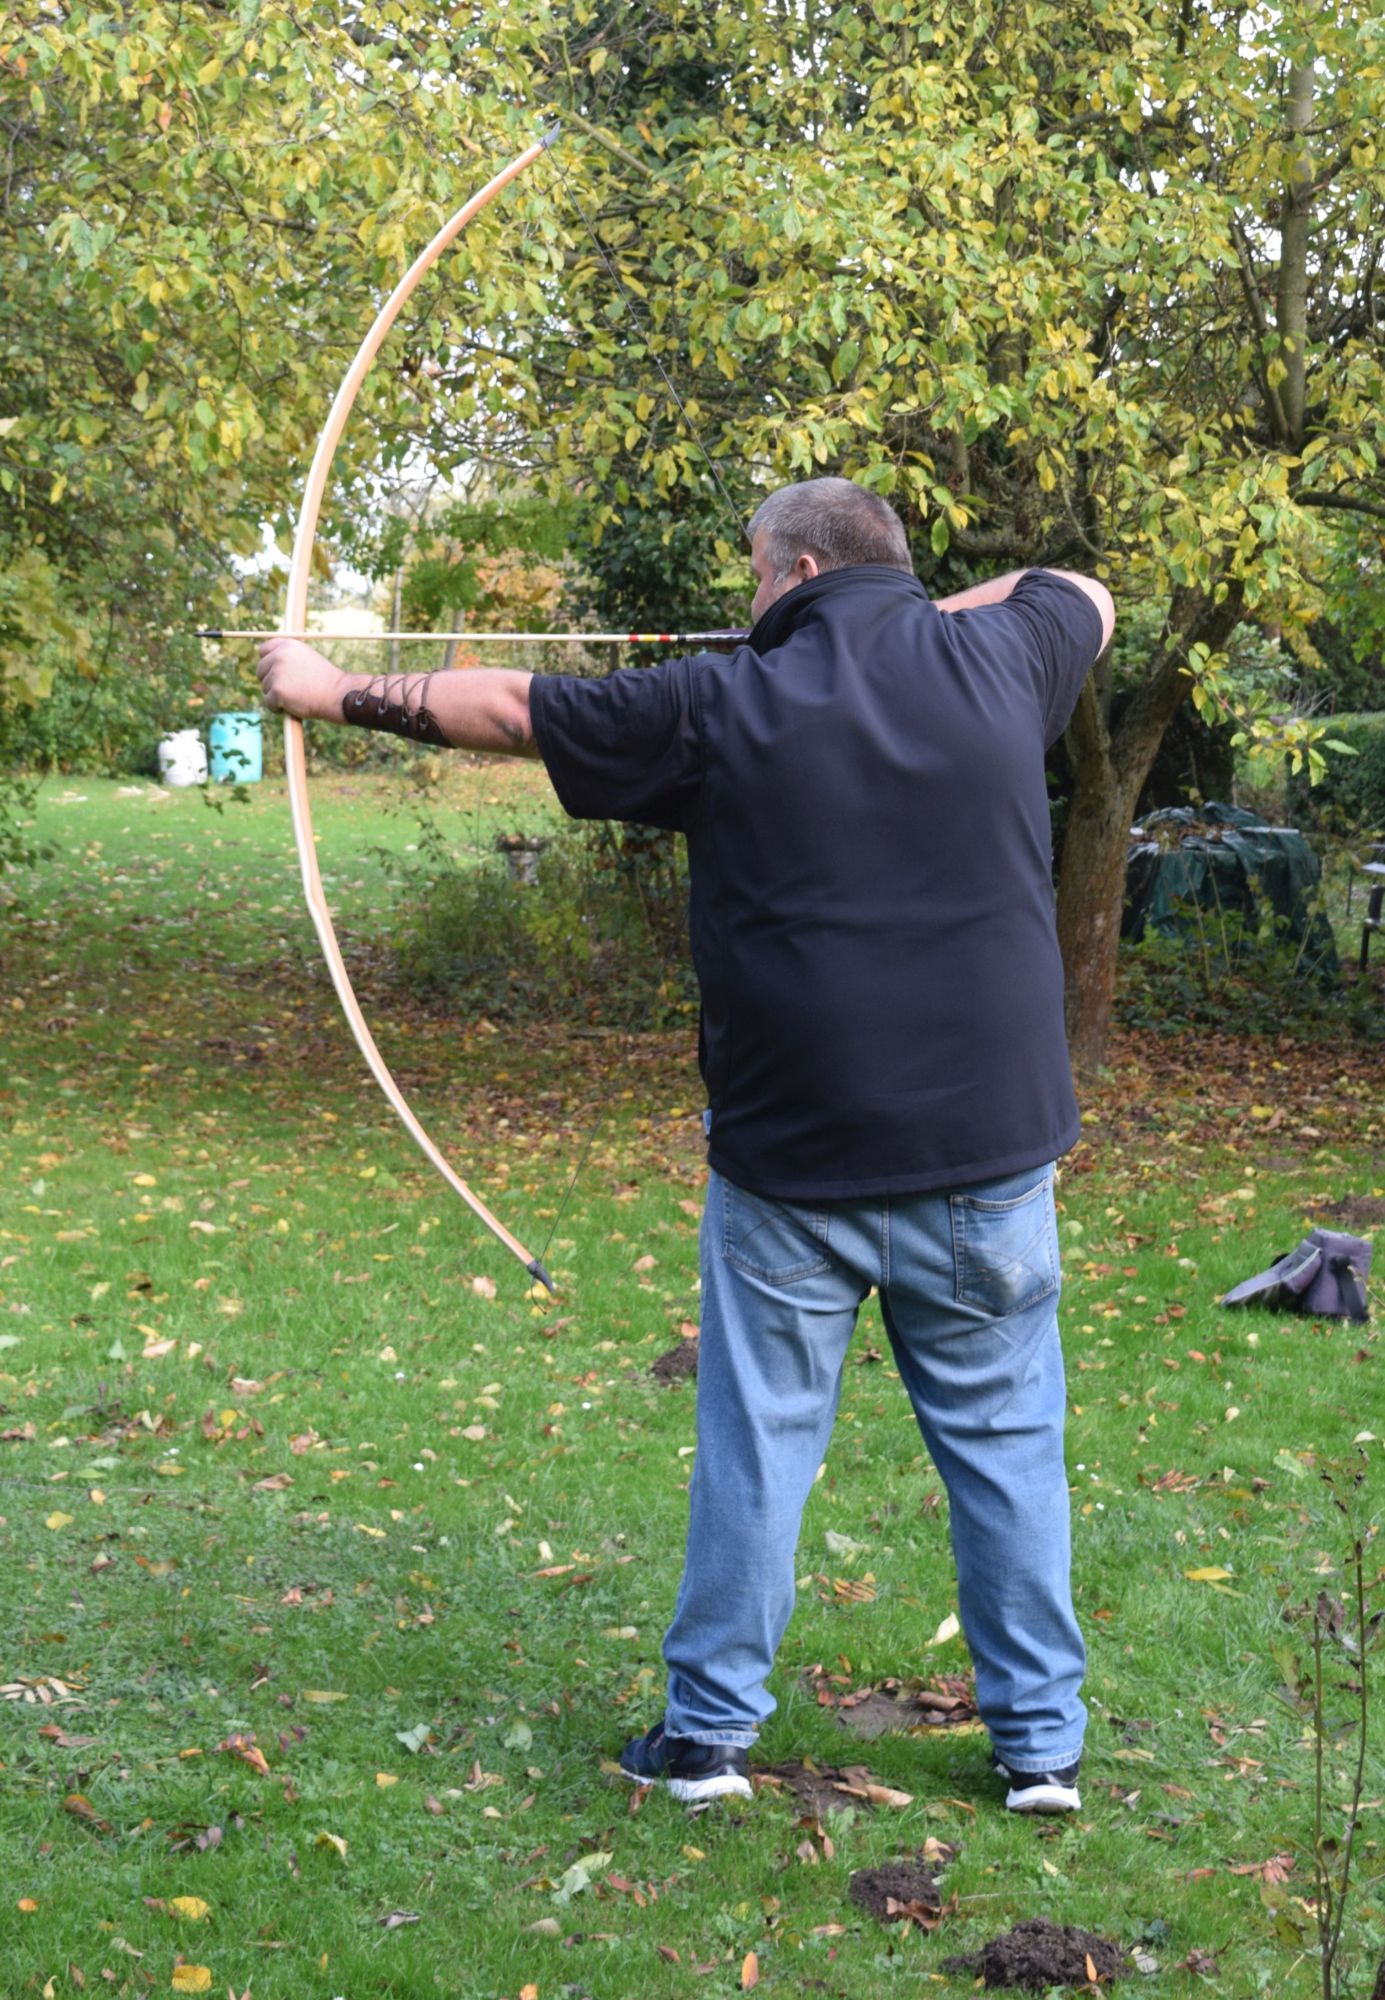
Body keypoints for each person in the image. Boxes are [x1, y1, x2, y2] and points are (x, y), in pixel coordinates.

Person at [257, 475, 1114, 1816]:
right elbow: (1085, 594)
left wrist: (328, 691)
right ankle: (1041, 1754)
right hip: (984, 1156)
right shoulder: (1004, 659)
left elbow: (512, 709)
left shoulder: (723, 701)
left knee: (759, 1446)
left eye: (757, 575)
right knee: (1007, 1447)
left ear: (791, 573)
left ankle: (709, 1740)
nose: (749, 595)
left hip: (794, 1168)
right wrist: (902, 626)